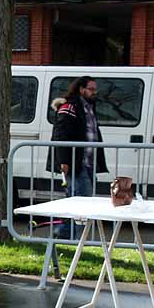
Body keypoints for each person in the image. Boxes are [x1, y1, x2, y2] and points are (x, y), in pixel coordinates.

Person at [47, 77, 108, 238]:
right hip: (76, 163)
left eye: (95, 89)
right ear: (81, 89)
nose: (95, 92)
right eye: (91, 89)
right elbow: (60, 135)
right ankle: (70, 238)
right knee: (82, 203)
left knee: (78, 203)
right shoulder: (69, 107)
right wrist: (64, 161)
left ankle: (62, 236)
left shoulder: (89, 107)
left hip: (88, 163)